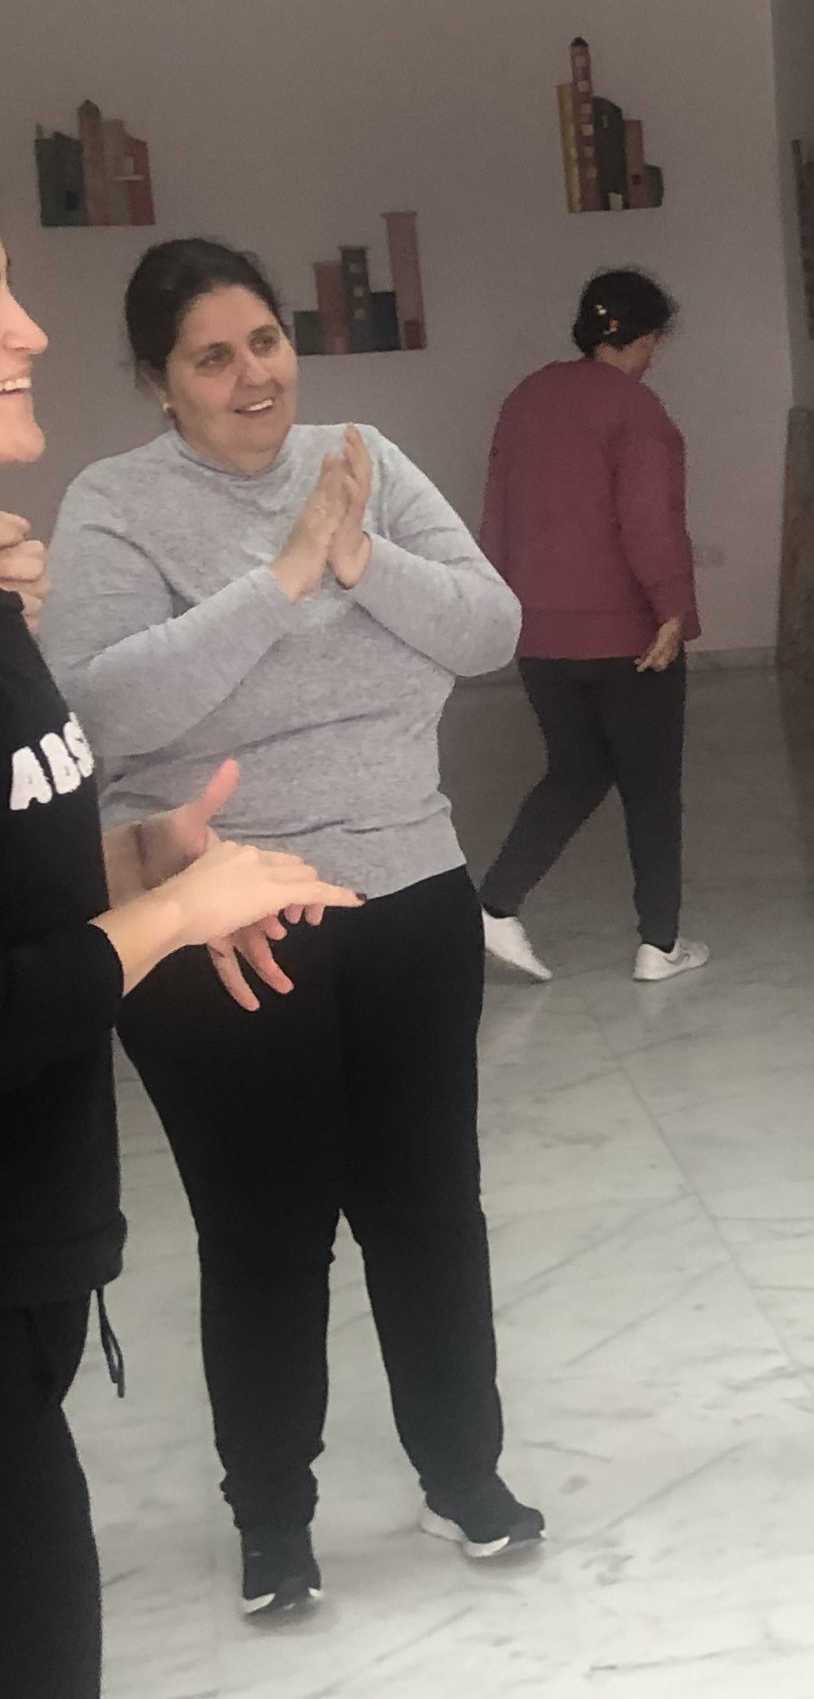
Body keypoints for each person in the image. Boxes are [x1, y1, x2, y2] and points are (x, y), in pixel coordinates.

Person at [44, 238, 538, 1622]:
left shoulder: (360, 461)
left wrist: (355, 554)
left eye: (264, 341)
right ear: (158, 382)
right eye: (212, 356)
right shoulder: (113, 505)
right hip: (217, 924)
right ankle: (274, 1519)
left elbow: (489, 628)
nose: (253, 375)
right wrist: (279, 582)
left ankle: (464, 1473)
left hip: (409, 892)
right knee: (264, 1234)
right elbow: (107, 710)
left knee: (430, 1210)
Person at [0, 227, 356, 1697]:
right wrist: (155, 924)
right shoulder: (102, 515)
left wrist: (146, 865)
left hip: (36, 1234)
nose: (29, 330)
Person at [478, 268, 705, 983]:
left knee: (575, 771)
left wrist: (497, 609)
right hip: (627, 634)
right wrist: (672, 609)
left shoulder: (525, 399)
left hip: (538, 632)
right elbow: (649, 523)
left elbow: (498, 514)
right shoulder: (637, 411)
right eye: (655, 341)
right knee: (651, 788)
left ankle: (495, 905)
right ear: (643, 338)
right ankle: (659, 943)